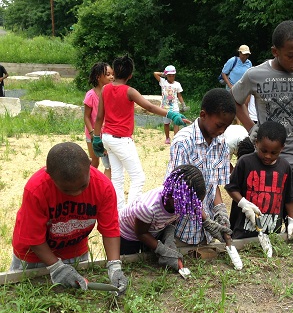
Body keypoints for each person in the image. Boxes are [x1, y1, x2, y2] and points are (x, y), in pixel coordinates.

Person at [231, 20, 293, 227]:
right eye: (290, 55)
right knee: (265, 224)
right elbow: (235, 100)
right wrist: (252, 128)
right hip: (267, 162)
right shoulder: (255, 75)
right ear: (275, 51)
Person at [10, 142, 128, 295]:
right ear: (49, 175)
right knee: (24, 296)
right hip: (33, 257)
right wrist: (55, 267)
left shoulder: (103, 187)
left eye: (83, 186)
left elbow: (110, 229)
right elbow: (33, 238)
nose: (75, 194)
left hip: (74, 252)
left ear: (90, 165)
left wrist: (114, 266)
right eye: (66, 190)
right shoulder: (37, 189)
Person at [93, 55, 190, 210]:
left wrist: (96, 138)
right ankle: (130, 213)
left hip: (107, 138)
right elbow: (150, 107)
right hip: (121, 140)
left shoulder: (105, 89)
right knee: (138, 177)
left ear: (115, 72)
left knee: (117, 178)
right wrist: (171, 114)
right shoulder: (129, 91)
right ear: (130, 75)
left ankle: (119, 213)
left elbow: (99, 117)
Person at [165, 88, 241, 269]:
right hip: (182, 230)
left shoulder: (221, 143)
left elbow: (213, 184)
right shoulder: (183, 143)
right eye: (219, 125)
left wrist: (220, 211)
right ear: (203, 115)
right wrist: (206, 220)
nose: (222, 131)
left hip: (204, 234)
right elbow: (179, 193)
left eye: (226, 127)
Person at [119, 164, 229, 273]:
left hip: (151, 228)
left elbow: (196, 207)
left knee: (149, 259)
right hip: (129, 234)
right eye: (188, 206)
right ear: (174, 195)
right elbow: (141, 234)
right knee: (130, 263)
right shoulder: (148, 207)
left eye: (192, 205)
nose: (190, 210)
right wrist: (163, 250)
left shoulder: (182, 201)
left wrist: (209, 224)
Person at [225, 121, 293, 240]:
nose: (268, 156)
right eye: (264, 151)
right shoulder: (245, 162)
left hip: (272, 232)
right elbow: (231, 188)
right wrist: (243, 204)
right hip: (242, 232)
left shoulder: (285, 167)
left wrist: (292, 221)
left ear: (282, 148)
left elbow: (290, 197)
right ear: (256, 143)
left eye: (273, 153)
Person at [83, 62, 114, 179]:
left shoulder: (111, 93)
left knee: (109, 165)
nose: (112, 77)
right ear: (98, 77)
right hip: (93, 134)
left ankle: (105, 188)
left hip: (107, 134)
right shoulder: (90, 95)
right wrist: (92, 134)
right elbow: (86, 117)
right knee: (95, 163)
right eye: (108, 74)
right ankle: (86, 183)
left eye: (112, 74)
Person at [153, 65, 187, 144]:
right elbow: (155, 73)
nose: (171, 77)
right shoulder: (163, 82)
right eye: (169, 76)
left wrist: (183, 104)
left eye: (173, 76)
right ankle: (167, 138)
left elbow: (179, 95)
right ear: (167, 75)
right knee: (166, 123)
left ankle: (176, 138)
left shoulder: (177, 84)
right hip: (165, 107)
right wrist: (163, 74)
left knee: (176, 122)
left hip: (174, 107)